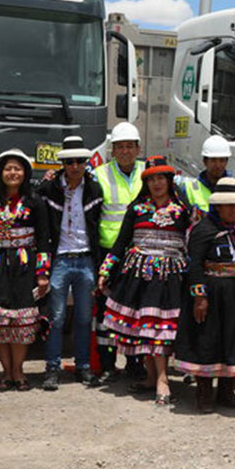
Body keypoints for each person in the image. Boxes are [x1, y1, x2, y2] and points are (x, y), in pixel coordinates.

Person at [97, 156, 192, 406]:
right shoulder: (137, 209)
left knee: (160, 329)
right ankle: (153, 377)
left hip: (170, 277)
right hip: (138, 276)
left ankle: (162, 379)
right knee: (146, 328)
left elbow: (193, 244)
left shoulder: (184, 211)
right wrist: (106, 270)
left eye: (161, 178)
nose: (156, 183)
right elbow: (121, 242)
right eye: (151, 179)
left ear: (170, 181)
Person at [174, 178, 235, 413]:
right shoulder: (203, 229)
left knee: (233, 340)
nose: (233, 210)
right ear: (216, 206)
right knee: (208, 340)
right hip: (211, 295)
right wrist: (200, 297)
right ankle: (204, 393)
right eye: (227, 205)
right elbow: (194, 265)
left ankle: (227, 391)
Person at [0, 149, 53, 390]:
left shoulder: (34, 202)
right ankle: (5, 372)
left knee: (22, 322)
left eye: (17, 169)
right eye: (8, 168)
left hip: (24, 266)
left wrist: (43, 272)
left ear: (25, 173)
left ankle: (19, 371)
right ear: (0, 173)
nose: (13, 173)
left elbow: (45, 238)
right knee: (0, 321)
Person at [37, 135, 105, 390]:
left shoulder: (95, 189)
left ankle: (83, 367)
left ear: (86, 163)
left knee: (85, 318)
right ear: (62, 164)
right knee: (56, 316)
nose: (75, 166)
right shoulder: (48, 189)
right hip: (60, 260)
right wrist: (42, 268)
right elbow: (42, 229)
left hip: (86, 258)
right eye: (69, 162)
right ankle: (52, 368)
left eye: (80, 161)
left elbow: (98, 226)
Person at [93, 122, 146, 384]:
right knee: (106, 311)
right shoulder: (99, 175)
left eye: (129, 146)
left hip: (140, 253)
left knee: (135, 310)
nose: (124, 151)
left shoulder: (149, 174)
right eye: (119, 147)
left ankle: (135, 364)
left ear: (138, 149)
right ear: (112, 150)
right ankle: (107, 363)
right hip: (108, 253)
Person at [180, 135, 235, 211]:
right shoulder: (188, 189)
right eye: (213, 160)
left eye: (221, 160)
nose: (218, 165)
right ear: (205, 162)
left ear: (226, 162)